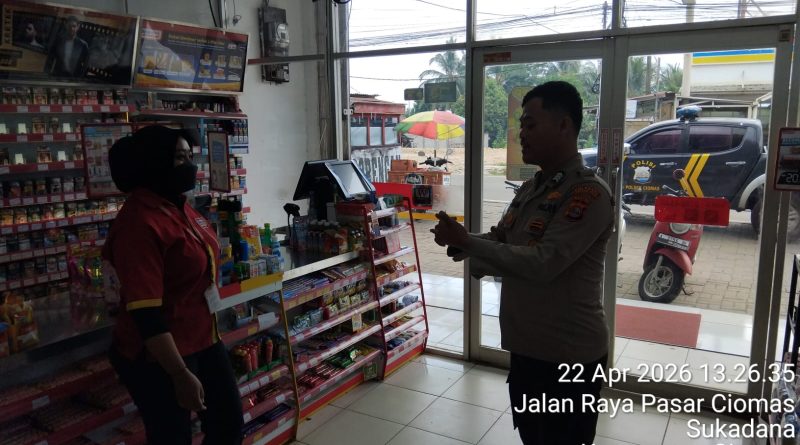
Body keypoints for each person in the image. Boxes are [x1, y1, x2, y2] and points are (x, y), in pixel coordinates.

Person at [430, 81, 614, 445]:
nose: (521, 135)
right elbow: (503, 238)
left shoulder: (588, 193)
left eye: (530, 124)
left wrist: (468, 243)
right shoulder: (533, 187)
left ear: (564, 125)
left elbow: (543, 263)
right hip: (529, 348)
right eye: (521, 125)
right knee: (533, 437)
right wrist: (463, 241)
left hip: (568, 356)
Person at [104, 126, 243, 445]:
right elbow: (146, 313)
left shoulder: (178, 205)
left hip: (202, 337)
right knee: (172, 438)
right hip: (159, 356)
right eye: (180, 158)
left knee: (228, 424)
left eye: (190, 157)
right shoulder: (139, 223)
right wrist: (179, 374)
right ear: (155, 163)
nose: (189, 166)